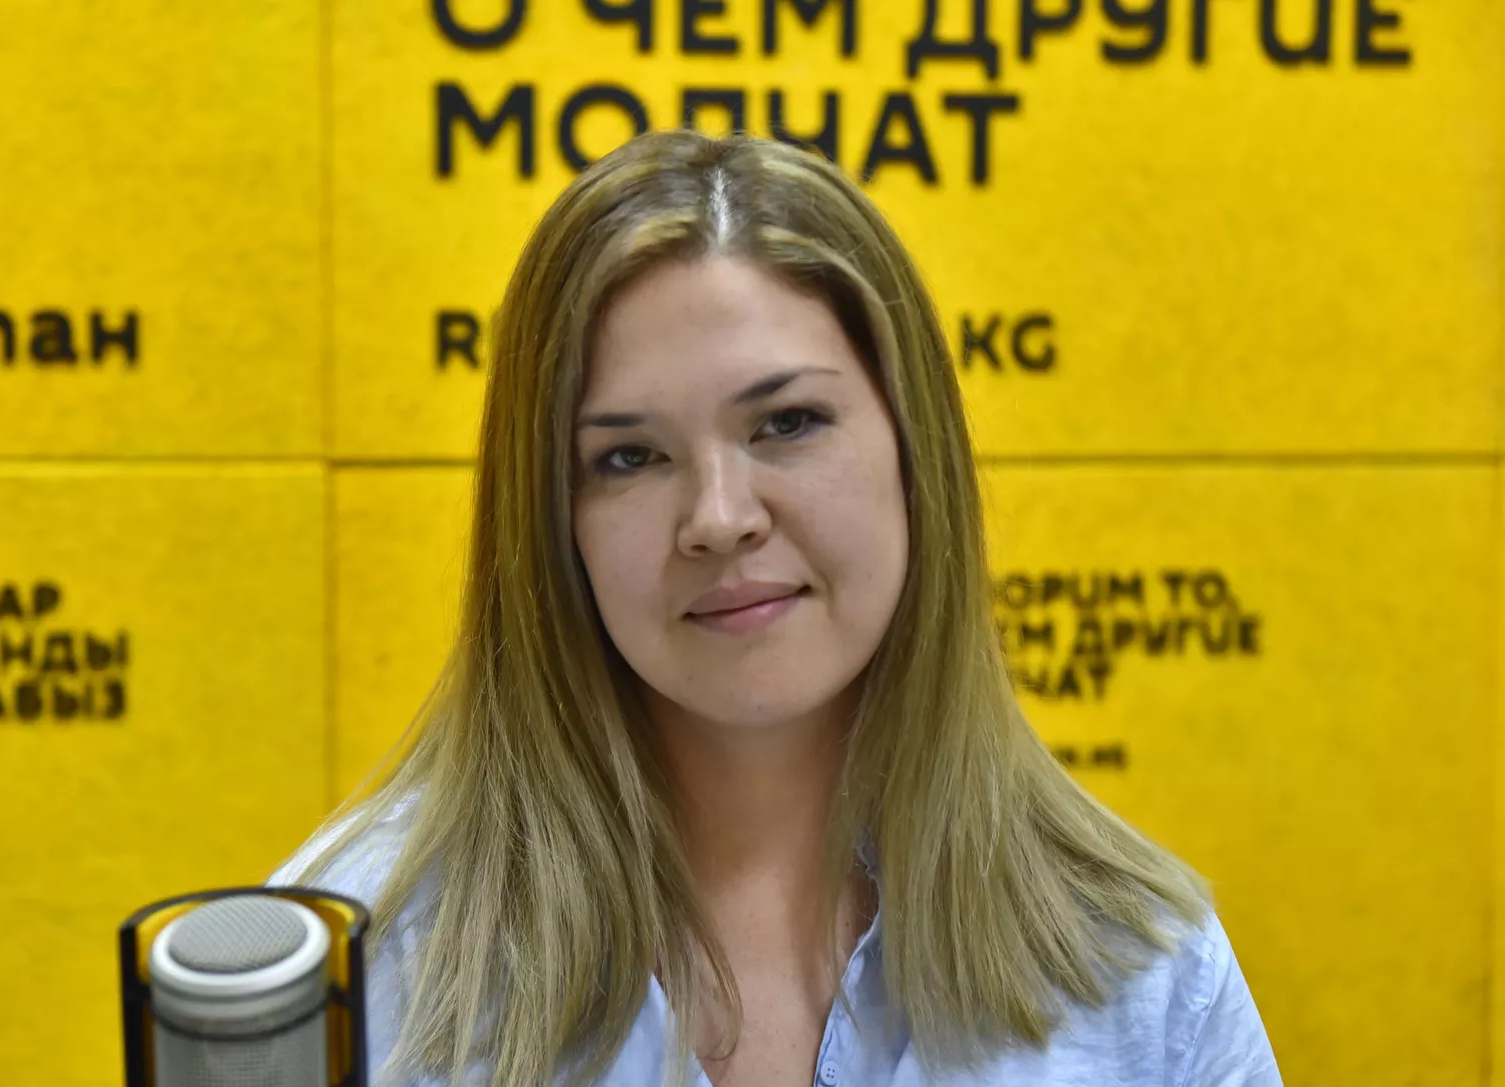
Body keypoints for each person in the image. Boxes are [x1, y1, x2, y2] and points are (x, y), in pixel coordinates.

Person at [274, 129, 1282, 1087]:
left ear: (915, 453)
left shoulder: (1140, 968)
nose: (719, 518)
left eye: (788, 422)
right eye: (630, 456)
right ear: (551, 521)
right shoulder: (352, 968)